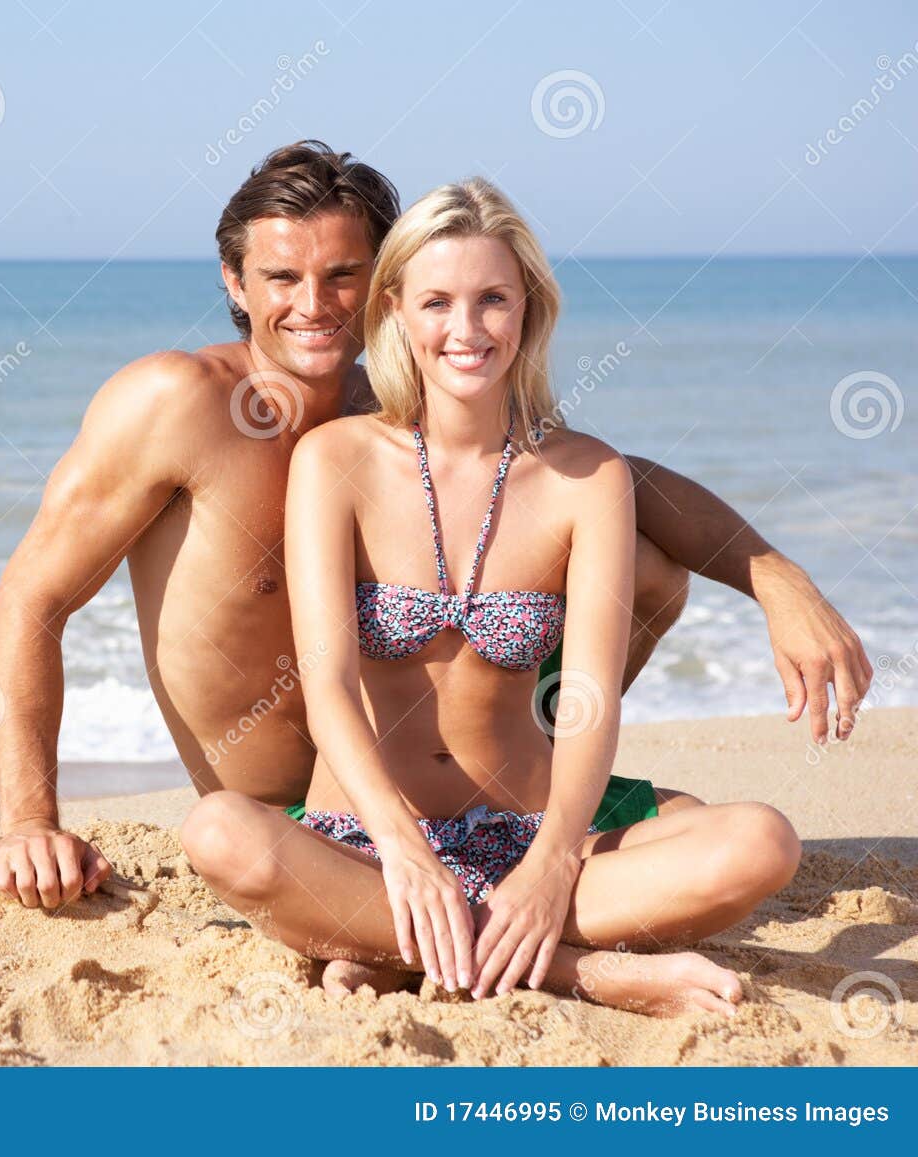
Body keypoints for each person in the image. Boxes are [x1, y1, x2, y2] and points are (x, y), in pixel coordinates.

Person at [0, 141, 871, 917]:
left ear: (386, 282)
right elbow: (32, 600)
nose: (315, 305)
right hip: (298, 816)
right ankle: (548, 929)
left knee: (646, 570)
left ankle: (533, 804)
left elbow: (611, 479)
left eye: (343, 275)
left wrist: (774, 576)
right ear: (233, 283)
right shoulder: (177, 404)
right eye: (281, 279)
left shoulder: (399, 414)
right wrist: (29, 822)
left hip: (477, 791)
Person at [181, 178, 805, 1015]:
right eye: (437, 301)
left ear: (530, 310)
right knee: (220, 832)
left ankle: (398, 947)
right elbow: (327, 686)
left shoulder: (590, 476)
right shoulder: (335, 462)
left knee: (761, 841)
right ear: (396, 309)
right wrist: (406, 852)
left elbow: (584, 697)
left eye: (493, 300)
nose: (466, 329)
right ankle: (574, 971)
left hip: (526, 838)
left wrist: (550, 865)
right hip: (365, 843)